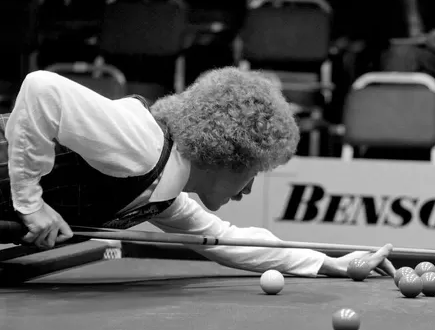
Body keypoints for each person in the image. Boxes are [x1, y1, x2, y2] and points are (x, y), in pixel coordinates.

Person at [0, 68, 395, 278]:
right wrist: (30, 203)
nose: (248, 191)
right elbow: (41, 88)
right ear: (226, 157)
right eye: (251, 173)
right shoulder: (143, 144)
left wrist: (329, 262)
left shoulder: (161, 191)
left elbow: (228, 240)